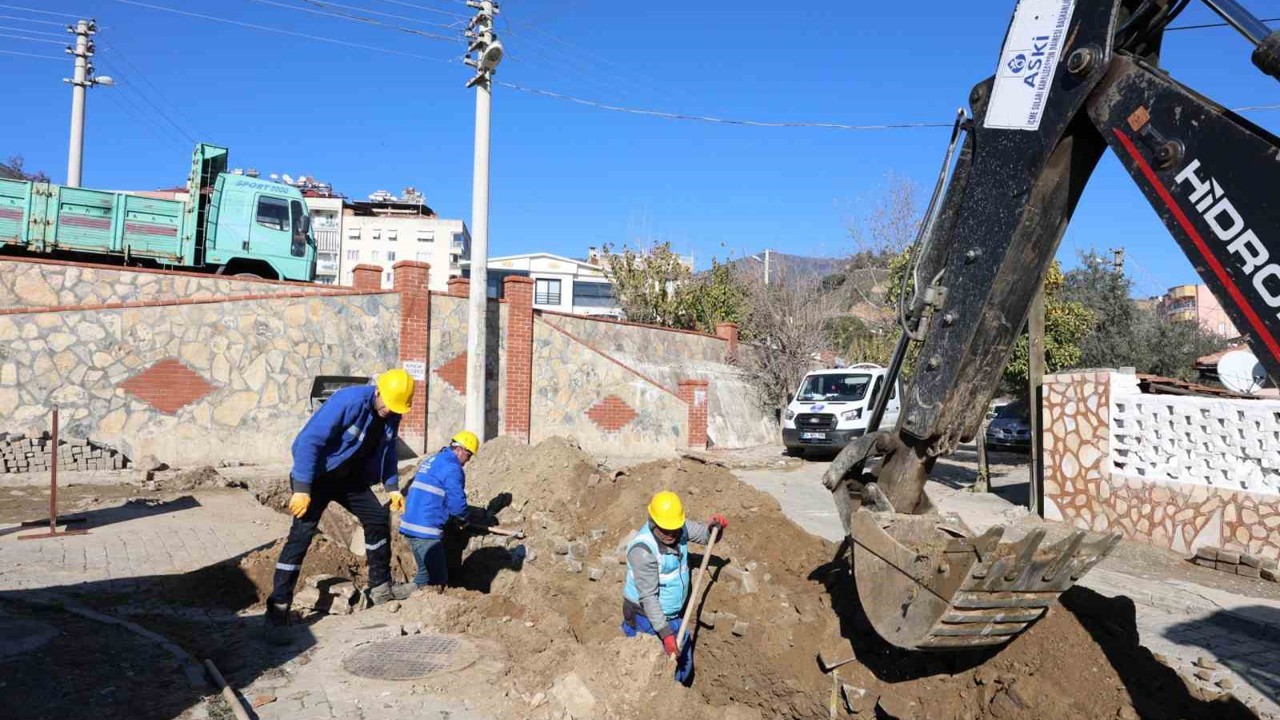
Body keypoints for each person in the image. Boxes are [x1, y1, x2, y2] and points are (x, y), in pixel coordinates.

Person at [265, 369, 418, 635]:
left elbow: (389, 451)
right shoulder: (348, 401)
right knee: (301, 536)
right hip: (318, 476)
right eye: (387, 405)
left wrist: (393, 488)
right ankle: (278, 608)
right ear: (378, 391)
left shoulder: (393, 412)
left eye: (395, 408)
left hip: (349, 479)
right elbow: (308, 441)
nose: (389, 412)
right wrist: (302, 488)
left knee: (377, 518)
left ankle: (381, 588)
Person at [621, 490, 728, 686]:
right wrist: (665, 634)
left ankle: (679, 693)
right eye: (665, 529)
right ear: (653, 521)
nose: (671, 534)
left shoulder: (678, 527)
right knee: (652, 670)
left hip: (672, 614)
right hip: (644, 616)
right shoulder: (643, 551)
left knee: (681, 655)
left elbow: (705, 536)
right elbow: (648, 598)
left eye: (674, 529)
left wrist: (715, 528)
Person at [397, 430, 480, 591]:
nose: (468, 460)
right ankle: (392, 597)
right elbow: (457, 504)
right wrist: (463, 518)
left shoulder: (434, 459)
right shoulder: (452, 468)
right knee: (437, 579)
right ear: (460, 450)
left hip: (410, 523)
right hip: (425, 530)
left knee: (424, 575)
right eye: (468, 455)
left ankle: (396, 595)